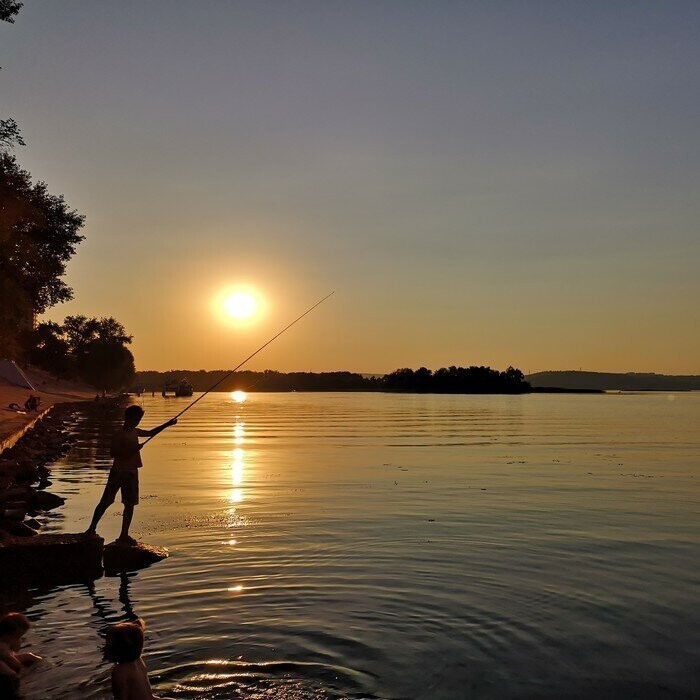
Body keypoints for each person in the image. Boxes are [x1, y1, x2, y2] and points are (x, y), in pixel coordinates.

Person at [85, 405, 176, 544]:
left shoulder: (135, 431)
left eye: (139, 419)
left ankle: (124, 535)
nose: (137, 422)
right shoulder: (118, 434)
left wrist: (168, 424)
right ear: (127, 417)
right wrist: (132, 449)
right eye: (136, 419)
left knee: (129, 504)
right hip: (118, 472)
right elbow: (113, 453)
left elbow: (151, 433)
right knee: (106, 501)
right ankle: (91, 529)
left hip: (132, 473)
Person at [106, 619, 165, 699]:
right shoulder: (138, 660)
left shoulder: (119, 671)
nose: (105, 649)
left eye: (109, 645)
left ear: (120, 649)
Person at [0, 612, 41, 696]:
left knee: (29, 656)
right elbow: (14, 663)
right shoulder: (2, 647)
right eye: (18, 636)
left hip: (4, 658)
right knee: (11, 674)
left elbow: (13, 654)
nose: (19, 639)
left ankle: (44, 665)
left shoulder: (6, 641)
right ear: (8, 634)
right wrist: (25, 671)